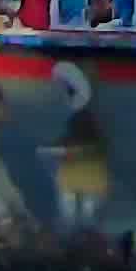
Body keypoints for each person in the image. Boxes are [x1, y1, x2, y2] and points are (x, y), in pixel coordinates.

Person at [46, 61, 110, 235]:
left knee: (71, 216)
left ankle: (72, 241)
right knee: (86, 217)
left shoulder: (80, 117)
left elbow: (75, 145)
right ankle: (83, 239)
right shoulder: (93, 118)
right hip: (91, 175)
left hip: (76, 172)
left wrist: (58, 150)